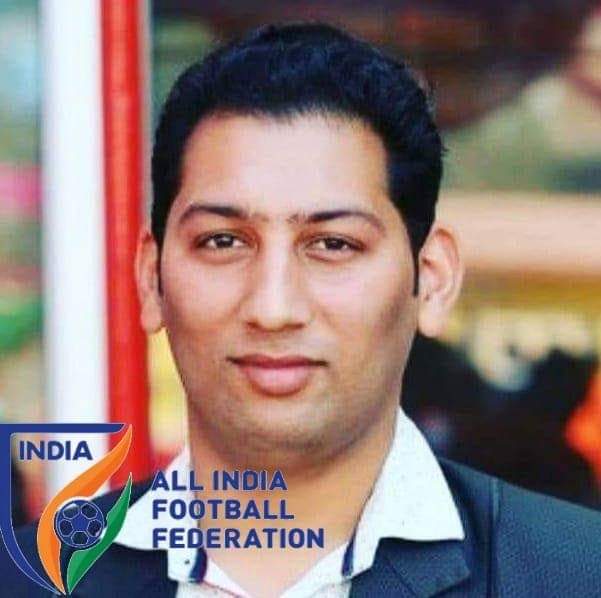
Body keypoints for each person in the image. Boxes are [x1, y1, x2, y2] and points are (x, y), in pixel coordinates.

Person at [3, 22, 601, 598]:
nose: (273, 308)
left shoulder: (575, 575)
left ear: (433, 279)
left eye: (333, 245)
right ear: (150, 279)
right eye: (223, 241)